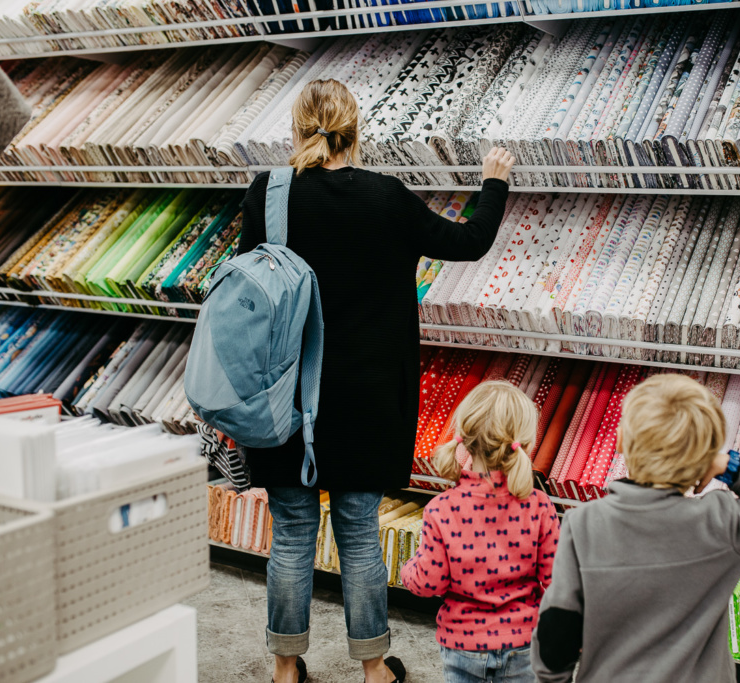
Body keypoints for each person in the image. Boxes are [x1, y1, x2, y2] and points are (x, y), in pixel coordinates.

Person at [236, 79, 516, 683]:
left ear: (297, 130)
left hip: (283, 397)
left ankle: (285, 670)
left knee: (290, 536)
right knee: (360, 535)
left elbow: (246, 296)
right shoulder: (386, 198)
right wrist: (493, 180)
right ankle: (373, 673)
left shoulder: (268, 196)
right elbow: (467, 241)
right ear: (355, 131)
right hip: (366, 398)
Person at [530, 373, 740, 683]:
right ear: (701, 460)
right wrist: (724, 463)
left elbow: (558, 631)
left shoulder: (584, 523)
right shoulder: (719, 520)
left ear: (620, 442)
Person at [400, 381, 561, 683]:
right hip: (524, 643)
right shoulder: (539, 506)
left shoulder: (441, 509)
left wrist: (407, 569)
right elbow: (556, 581)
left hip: (463, 643)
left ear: (464, 437)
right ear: (525, 444)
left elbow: (428, 582)